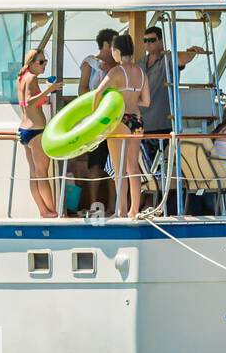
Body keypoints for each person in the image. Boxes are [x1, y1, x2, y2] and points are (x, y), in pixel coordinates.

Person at [138, 25, 207, 191]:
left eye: (152, 40)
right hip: (141, 127)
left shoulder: (168, 59)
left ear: (161, 41)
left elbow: (182, 59)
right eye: (145, 41)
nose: (148, 44)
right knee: (144, 173)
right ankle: (149, 204)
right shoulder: (140, 63)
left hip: (163, 126)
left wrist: (192, 51)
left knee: (163, 171)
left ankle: (163, 205)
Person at [93, 34, 150, 217]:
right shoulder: (141, 72)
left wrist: (95, 118)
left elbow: (97, 94)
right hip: (137, 120)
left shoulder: (117, 71)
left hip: (120, 120)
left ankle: (121, 210)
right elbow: (146, 102)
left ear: (117, 52)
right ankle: (134, 210)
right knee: (133, 167)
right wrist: (132, 99)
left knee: (119, 170)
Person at [16, 48, 63, 218]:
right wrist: (49, 89)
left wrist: (45, 95)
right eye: (41, 62)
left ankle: (43, 210)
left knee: (34, 174)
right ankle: (52, 211)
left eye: (45, 62)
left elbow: (27, 102)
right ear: (31, 63)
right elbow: (29, 102)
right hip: (36, 131)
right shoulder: (32, 78)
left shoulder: (21, 78)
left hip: (24, 130)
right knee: (42, 173)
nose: (44, 65)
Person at [75, 28, 118, 213]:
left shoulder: (118, 66)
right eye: (115, 43)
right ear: (107, 44)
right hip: (96, 121)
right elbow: (82, 89)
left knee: (115, 164)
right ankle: (93, 205)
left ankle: (113, 206)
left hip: (114, 120)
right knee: (95, 164)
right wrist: (99, 100)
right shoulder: (90, 64)